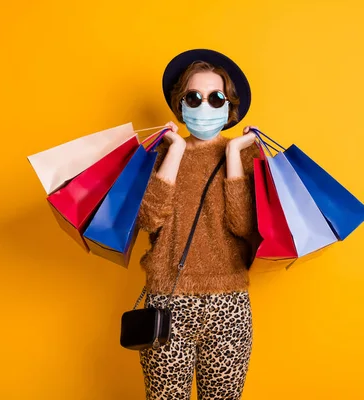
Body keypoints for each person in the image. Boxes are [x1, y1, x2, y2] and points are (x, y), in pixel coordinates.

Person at [136, 49, 260, 400]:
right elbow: (149, 218)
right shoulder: (160, 152)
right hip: (168, 302)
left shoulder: (247, 153)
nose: (205, 104)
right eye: (194, 96)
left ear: (229, 106)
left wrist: (234, 155)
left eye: (216, 97)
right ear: (181, 104)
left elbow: (244, 226)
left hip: (229, 303)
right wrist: (174, 150)